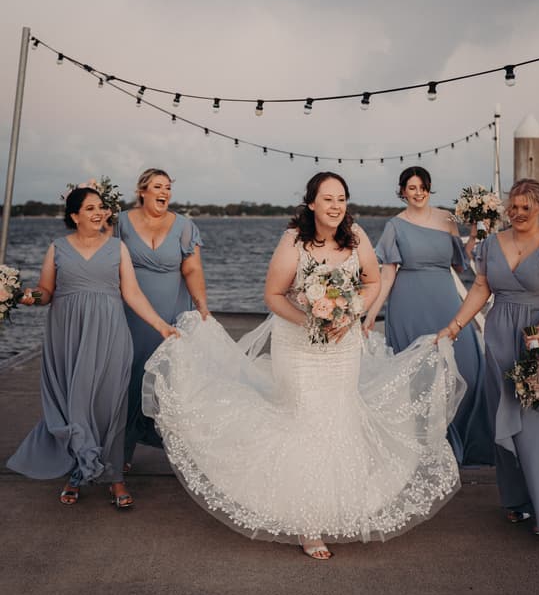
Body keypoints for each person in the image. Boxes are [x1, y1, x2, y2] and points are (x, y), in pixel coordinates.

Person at [142, 172, 465, 559]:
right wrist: (311, 321)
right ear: (311, 203)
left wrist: (349, 313)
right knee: (306, 416)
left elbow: (372, 282)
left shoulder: (356, 235)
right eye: (327, 199)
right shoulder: (294, 240)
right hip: (298, 346)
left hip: (342, 346)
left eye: (341, 198)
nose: (336, 206)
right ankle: (308, 523)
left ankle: (338, 505)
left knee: (339, 415)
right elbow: (274, 295)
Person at [437, 178, 539, 534]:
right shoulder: (492, 244)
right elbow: (481, 287)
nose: (519, 213)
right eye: (514, 206)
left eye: (527, 207)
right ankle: (517, 500)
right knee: (509, 418)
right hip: (502, 339)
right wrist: (455, 326)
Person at [7, 187, 177, 507]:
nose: (98, 213)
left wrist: (160, 325)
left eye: (101, 207)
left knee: (111, 406)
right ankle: (77, 472)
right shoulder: (57, 248)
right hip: (68, 335)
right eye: (90, 208)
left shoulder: (117, 248)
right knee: (77, 405)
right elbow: (46, 291)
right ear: (74, 216)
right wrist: (28, 297)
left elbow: (133, 294)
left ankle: (115, 478)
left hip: (111, 333)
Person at [364, 166, 494, 466]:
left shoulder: (447, 218)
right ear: (402, 191)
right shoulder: (395, 226)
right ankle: (426, 445)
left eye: (423, 186)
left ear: (429, 188)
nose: (418, 192)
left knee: (468, 368)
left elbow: (460, 263)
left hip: (445, 298)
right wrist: (371, 314)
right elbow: (387, 276)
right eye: (412, 187)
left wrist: (474, 234)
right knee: (416, 376)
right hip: (408, 302)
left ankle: (468, 438)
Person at [115, 168, 210, 467]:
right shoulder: (120, 223)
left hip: (172, 309)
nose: (165, 192)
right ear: (142, 191)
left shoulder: (184, 226)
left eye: (168, 187)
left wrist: (202, 305)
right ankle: (122, 452)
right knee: (129, 378)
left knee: (169, 380)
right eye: (158, 187)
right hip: (130, 313)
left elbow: (192, 269)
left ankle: (176, 451)